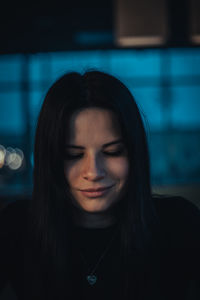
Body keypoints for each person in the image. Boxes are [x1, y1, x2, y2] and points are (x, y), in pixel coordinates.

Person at [0, 70, 200, 300]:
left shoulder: (179, 223)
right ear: (50, 159)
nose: (93, 172)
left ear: (134, 154)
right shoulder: (17, 227)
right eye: (73, 155)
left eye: (112, 152)